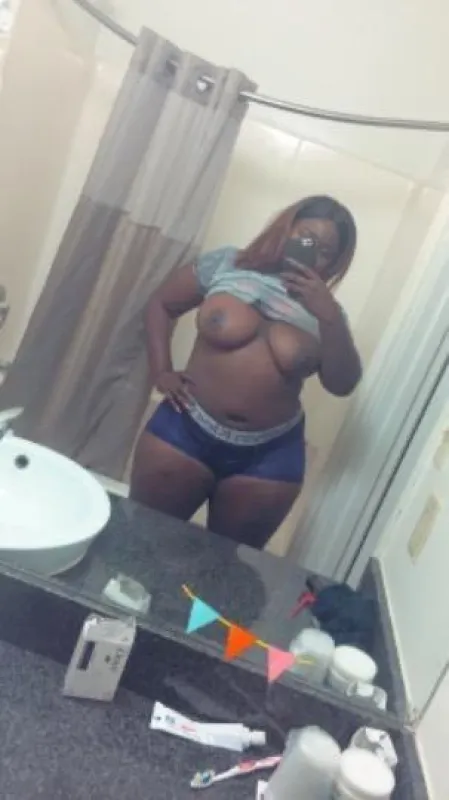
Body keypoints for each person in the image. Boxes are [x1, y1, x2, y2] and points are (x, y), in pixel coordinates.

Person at [131, 195, 362, 549]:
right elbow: (161, 304)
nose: (313, 253)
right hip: (185, 426)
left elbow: (342, 384)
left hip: (269, 456)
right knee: (139, 542)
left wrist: (329, 315)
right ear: (285, 229)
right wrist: (161, 371)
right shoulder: (227, 264)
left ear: (334, 263)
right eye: (306, 238)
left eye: (325, 251)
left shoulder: (328, 315)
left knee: (224, 569)